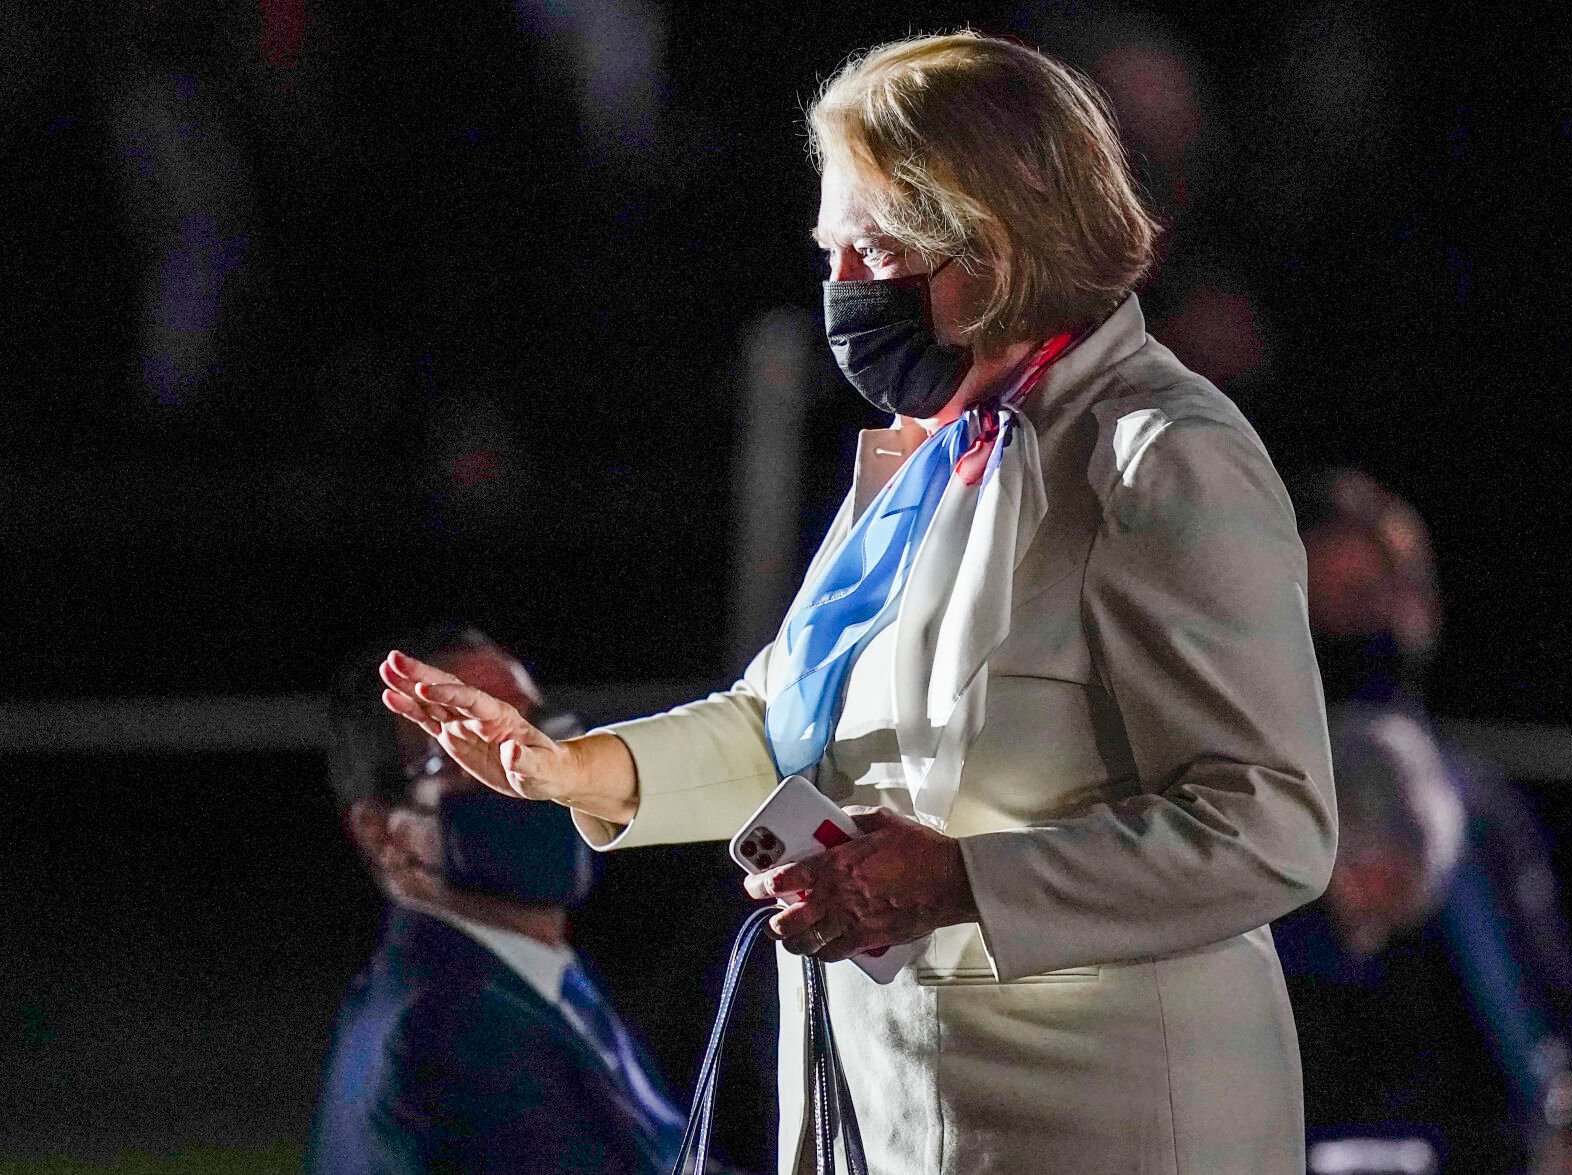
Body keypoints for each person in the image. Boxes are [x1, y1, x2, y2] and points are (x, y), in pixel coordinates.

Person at [379, 33, 1336, 1174]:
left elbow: (1271, 821)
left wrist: (962, 878)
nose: (842, 290)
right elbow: (789, 724)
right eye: (829, 250)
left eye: (873, 250)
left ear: (995, 242)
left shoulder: (1157, 454)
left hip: (1104, 1121)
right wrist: (570, 770)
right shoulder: (928, 454)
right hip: (880, 1111)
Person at [1274, 468, 1572, 1175]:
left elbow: (1557, 987)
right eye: (1343, 598)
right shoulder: (1245, 798)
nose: (1375, 618)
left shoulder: (1471, 800)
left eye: (1392, 590)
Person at [310, 625, 688, 1175]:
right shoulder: (448, 1032)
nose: (524, 766)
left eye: (529, 726)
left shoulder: (523, 979)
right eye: (471, 747)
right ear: (382, 833)